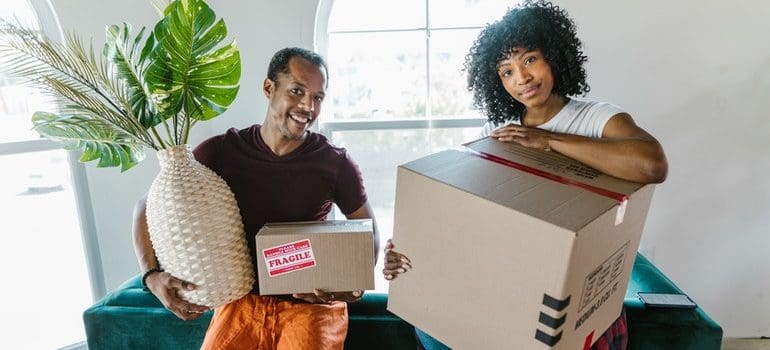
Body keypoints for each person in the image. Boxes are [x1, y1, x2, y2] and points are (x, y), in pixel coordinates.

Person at [383, 1, 668, 349]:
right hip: (514, 274)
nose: (522, 79)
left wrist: (549, 140)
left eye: (529, 59)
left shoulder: (596, 118)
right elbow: (470, 212)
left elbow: (652, 164)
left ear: (553, 55)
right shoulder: (495, 131)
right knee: (429, 325)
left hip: (571, 285)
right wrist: (415, 248)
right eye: (506, 71)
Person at [133, 47, 379, 350]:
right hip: (240, 303)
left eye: (317, 97)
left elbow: (367, 230)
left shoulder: (335, 162)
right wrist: (151, 276)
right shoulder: (221, 152)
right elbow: (147, 206)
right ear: (268, 88)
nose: (308, 106)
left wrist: (349, 290)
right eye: (297, 91)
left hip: (312, 308)